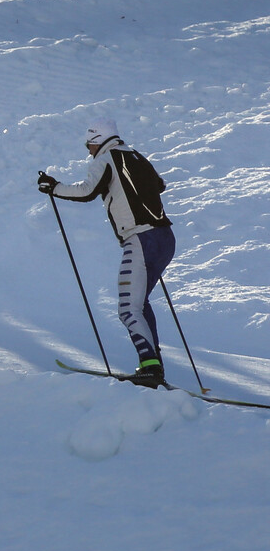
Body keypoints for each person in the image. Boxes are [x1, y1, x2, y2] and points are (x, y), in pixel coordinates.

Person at [40, 122, 175, 387]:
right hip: (165, 238)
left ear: (97, 140)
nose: (88, 150)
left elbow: (87, 191)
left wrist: (54, 187)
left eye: (88, 144)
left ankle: (150, 368)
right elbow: (159, 185)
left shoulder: (106, 158)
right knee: (140, 303)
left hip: (140, 238)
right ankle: (152, 365)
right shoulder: (135, 155)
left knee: (127, 308)